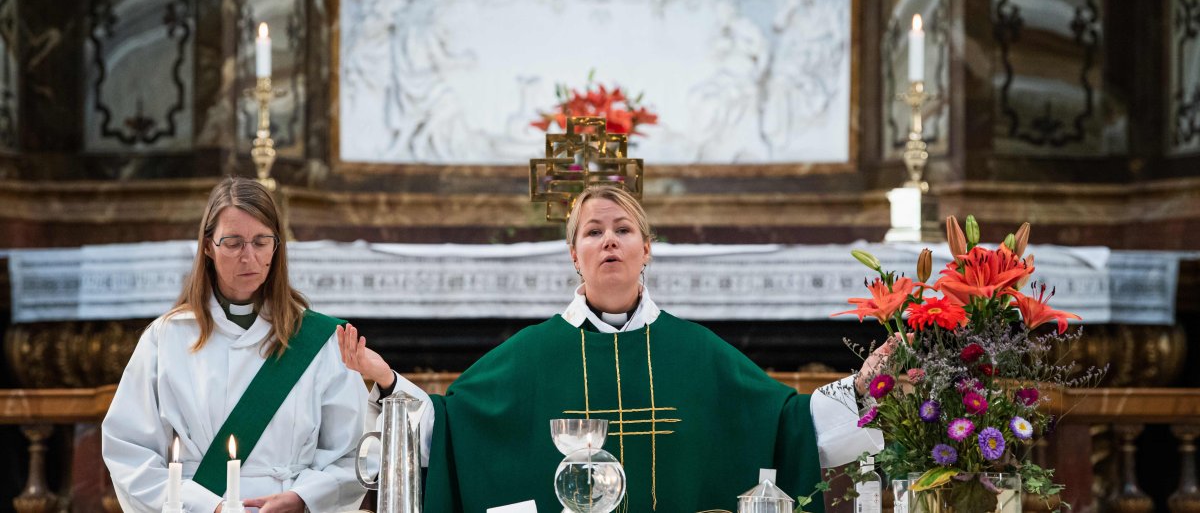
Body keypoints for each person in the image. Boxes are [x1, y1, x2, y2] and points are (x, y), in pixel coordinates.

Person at [340, 185, 889, 512]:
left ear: (646, 249)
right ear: (573, 255)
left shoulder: (697, 351)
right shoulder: (530, 355)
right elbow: (450, 425)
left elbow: (786, 421)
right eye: (593, 232)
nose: (609, 240)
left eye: (623, 230)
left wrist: (863, 390)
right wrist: (388, 382)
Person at [103, 177, 367, 513]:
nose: (248, 257)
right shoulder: (166, 338)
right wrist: (206, 505)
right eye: (233, 243)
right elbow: (129, 451)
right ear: (208, 247)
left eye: (261, 242)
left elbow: (354, 453)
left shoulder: (319, 340)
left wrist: (302, 498)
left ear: (276, 246)